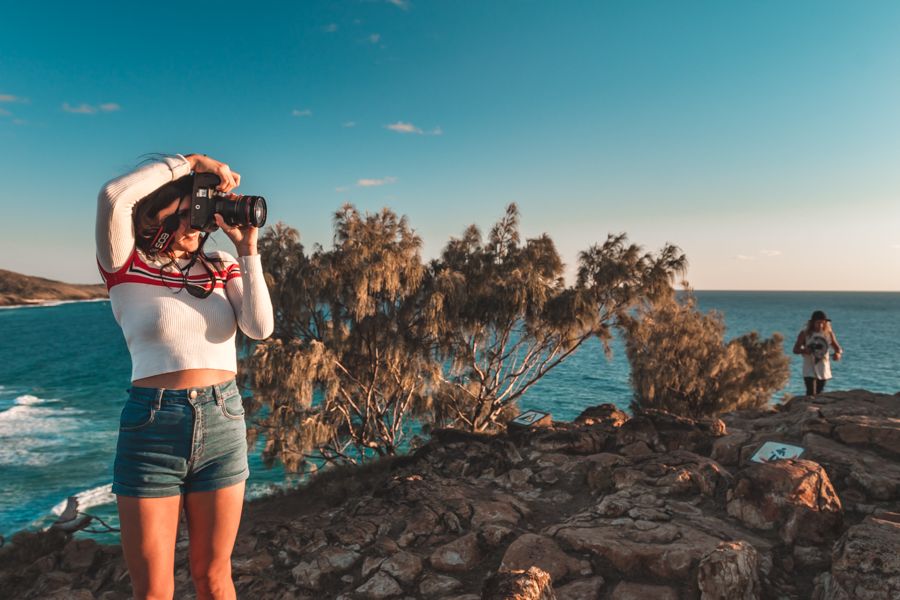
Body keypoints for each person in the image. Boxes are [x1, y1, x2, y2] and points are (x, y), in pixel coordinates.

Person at [95, 153, 274, 600]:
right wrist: (190, 162)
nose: (197, 219)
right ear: (153, 213)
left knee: (213, 578)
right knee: (154, 592)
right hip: (152, 429)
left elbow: (259, 327)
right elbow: (114, 196)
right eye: (187, 208)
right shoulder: (124, 263)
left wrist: (247, 249)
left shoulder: (217, 264)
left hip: (223, 420)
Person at [792, 310, 842, 397]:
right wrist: (804, 350)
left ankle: (817, 409)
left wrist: (837, 354)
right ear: (812, 323)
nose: (820, 325)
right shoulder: (805, 334)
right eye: (818, 323)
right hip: (809, 366)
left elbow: (838, 349)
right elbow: (795, 349)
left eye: (823, 323)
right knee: (810, 393)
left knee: (820, 393)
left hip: (823, 367)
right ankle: (808, 409)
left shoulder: (828, 334)